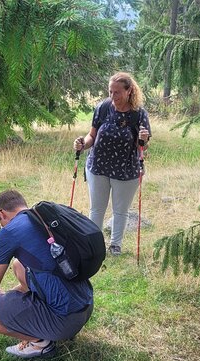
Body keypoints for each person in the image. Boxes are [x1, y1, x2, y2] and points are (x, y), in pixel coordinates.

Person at [0, 189, 94, 359]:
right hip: (85, 307)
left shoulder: (8, 232)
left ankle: (40, 343)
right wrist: (8, 297)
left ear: (1, 214)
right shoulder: (44, 218)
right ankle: (39, 318)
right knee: (18, 264)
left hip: (64, 322)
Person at [74, 72, 151, 256]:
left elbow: (143, 147)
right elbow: (92, 135)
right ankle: (94, 245)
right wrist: (82, 144)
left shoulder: (139, 114)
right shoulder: (103, 107)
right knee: (97, 208)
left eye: (117, 92)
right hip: (98, 166)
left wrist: (144, 139)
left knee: (120, 210)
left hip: (126, 170)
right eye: (110, 92)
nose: (113, 97)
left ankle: (115, 245)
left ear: (129, 91)